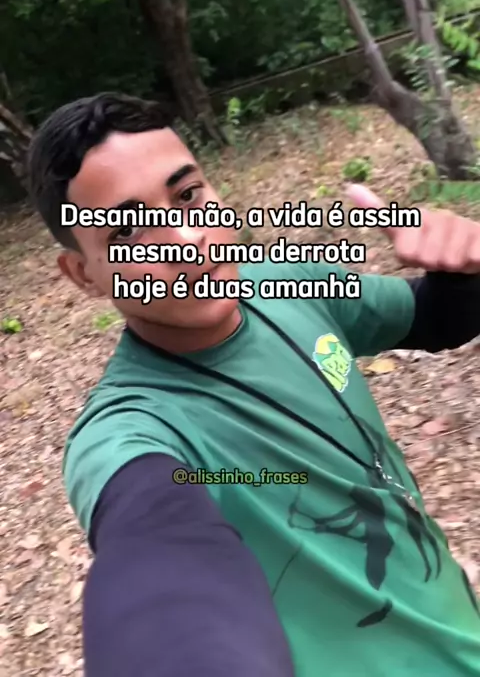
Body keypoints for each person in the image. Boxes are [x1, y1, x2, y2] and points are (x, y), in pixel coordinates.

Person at [27, 92, 480, 677]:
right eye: (128, 231)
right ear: (83, 274)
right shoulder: (131, 430)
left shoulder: (287, 284)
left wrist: (463, 270)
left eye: (187, 196)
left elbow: (433, 318)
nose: (186, 239)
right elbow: (156, 544)